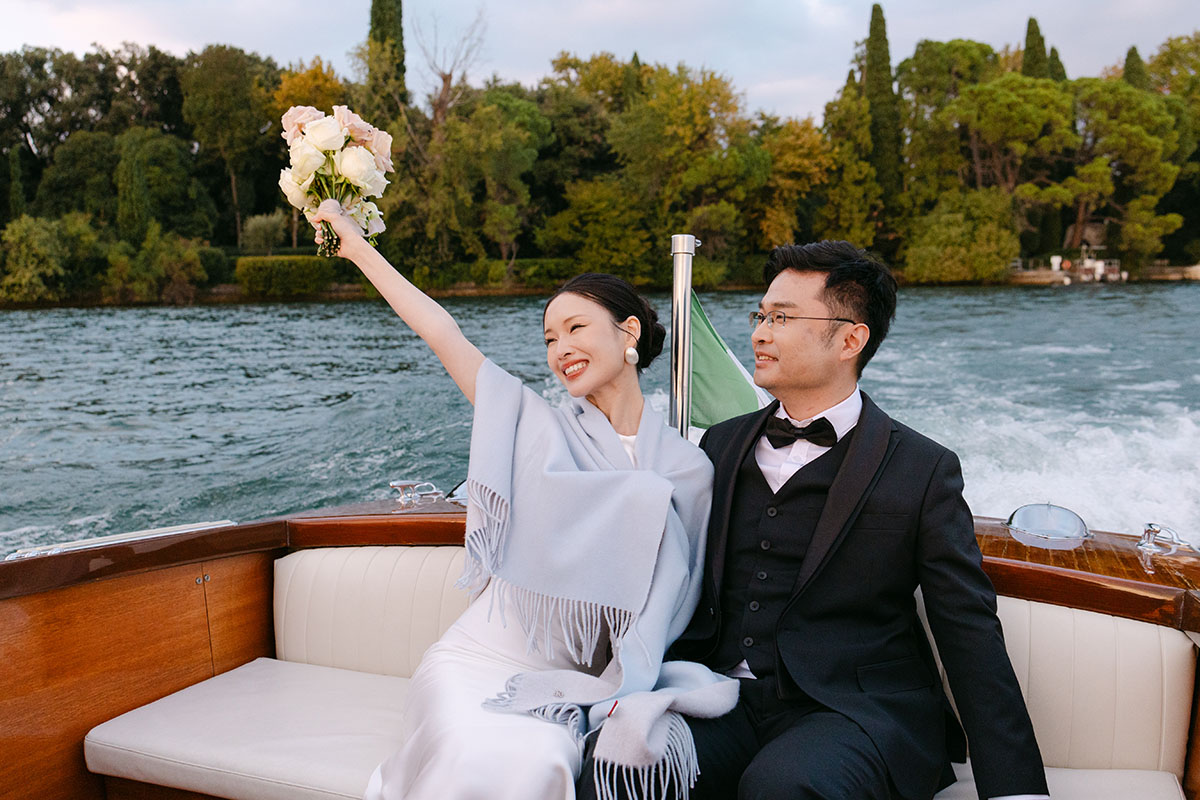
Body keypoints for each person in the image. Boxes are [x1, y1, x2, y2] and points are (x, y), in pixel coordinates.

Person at [579, 241, 1048, 800]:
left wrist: (1016, 789)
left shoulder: (923, 469)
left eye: (781, 318)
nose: (760, 333)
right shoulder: (719, 446)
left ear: (851, 340)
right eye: (759, 316)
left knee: (785, 788)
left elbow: (967, 626)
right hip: (717, 695)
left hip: (853, 711)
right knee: (616, 770)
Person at [308, 200, 738, 800]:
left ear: (629, 332)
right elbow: (442, 332)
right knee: (484, 758)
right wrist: (356, 247)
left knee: (540, 762)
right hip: (479, 659)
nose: (560, 348)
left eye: (576, 328)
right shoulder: (536, 427)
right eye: (549, 338)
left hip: (576, 680)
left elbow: (682, 600)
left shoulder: (690, 468)